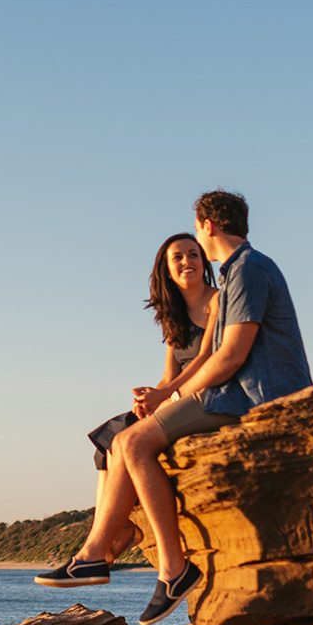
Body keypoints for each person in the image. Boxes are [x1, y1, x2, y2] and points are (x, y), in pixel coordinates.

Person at [40, 190, 313, 625]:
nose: (193, 251)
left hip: (254, 396)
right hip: (237, 391)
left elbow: (228, 357)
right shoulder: (242, 269)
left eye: (196, 235)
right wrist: (165, 395)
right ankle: (120, 558)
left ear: (207, 225)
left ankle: (158, 566)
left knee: (133, 442)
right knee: (124, 439)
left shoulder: (246, 271)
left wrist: (171, 398)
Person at [33, 232, 218, 591]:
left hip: (206, 399)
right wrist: (151, 395)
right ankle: (112, 534)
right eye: (178, 257)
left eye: (193, 255)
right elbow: (170, 373)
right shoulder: (174, 317)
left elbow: (209, 359)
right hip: (178, 396)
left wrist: (165, 395)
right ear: (166, 270)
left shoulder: (217, 303)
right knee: (111, 435)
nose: (187, 262)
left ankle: (99, 548)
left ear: (204, 262)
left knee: (129, 440)